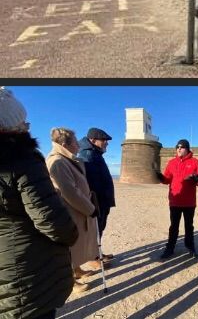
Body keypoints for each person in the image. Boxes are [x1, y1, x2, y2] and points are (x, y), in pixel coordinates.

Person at [0, 88, 78, 319]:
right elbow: (51, 220)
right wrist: (71, 233)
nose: (26, 126)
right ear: (10, 126)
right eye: (23, 121)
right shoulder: (21, 160)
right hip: (25, 269)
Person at [46, 127, 99, 294]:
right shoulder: (58, 161)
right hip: (70, 211)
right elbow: (70, 192)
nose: (78, 146)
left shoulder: (66, 159)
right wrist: (90, 209)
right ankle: (70, 281)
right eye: (75, 143)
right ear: (64, 144)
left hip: (76, 210)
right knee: (68, 246)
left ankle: (76, 270)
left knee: (76, 245)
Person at [156, 139, 198, 259]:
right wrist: (160, 177)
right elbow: (167, 179)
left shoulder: (194, 162)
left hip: (189, 202)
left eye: (181, 147)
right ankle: (170, 248)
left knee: (189, 226)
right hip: (175, 201)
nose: (178, 149)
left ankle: (190, 248)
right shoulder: (172, 162)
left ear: (187, 149)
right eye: (177, 147)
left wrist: (197, 178)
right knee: (173, 226)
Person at [78, 127, 115, 266]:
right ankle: (93, 258)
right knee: (95, 229)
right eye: (104, 140)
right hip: (96, 201)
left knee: (100, 228)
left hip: (102, 200)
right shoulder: (87, 155)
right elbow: (89, 183)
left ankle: (97, 253)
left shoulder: (95, 153)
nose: (107, 143)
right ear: (93, 140)